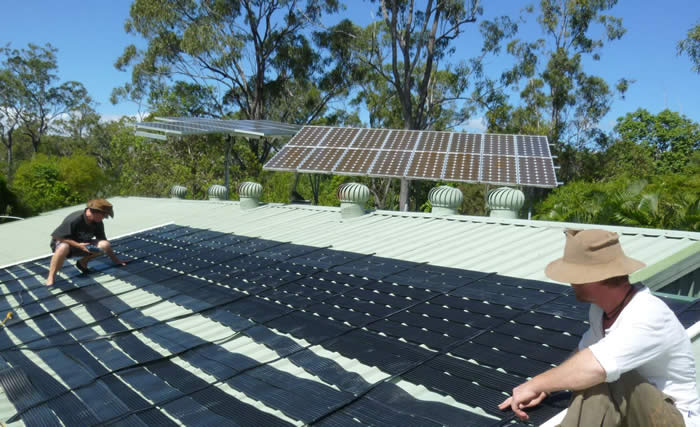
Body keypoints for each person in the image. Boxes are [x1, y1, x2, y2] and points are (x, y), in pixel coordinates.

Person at [498, 228, 700, 426]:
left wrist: (535, 384)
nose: (570, 281)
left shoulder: (648, 314)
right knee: (596, 377)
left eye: (574, 274)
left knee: (607, 376)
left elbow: (594, 366)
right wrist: (547, 388)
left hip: (674, 419)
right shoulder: (600, 311)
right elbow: (584, 353)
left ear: (595, 277)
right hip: (628, 413)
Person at [45, 199, 127, 286]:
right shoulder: (75, 219)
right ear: (96, 212)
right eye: (104, 215)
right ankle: (51, 277)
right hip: (64, 244)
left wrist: (116, 261)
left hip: (83, 245)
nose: (104, 218)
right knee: (63, 247)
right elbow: (56, 236)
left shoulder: (97, 222)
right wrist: (78, 245)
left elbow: (103, 241)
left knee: (104, 245)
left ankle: (82, 263)